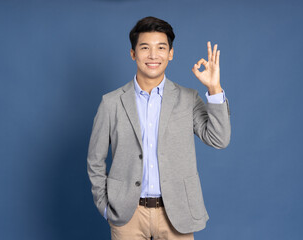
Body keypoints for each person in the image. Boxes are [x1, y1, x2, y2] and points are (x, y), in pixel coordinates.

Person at [87, 16, 231, 240]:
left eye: (161, 48)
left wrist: (214, 88)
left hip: (178, 214)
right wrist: (105, 206)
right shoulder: (111, 103)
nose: (153, 55)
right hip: (127, 215)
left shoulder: (188, 98)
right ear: (133, 53)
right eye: (145, 47)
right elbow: (95, 160)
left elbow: (219, 139)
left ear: (171, 54)